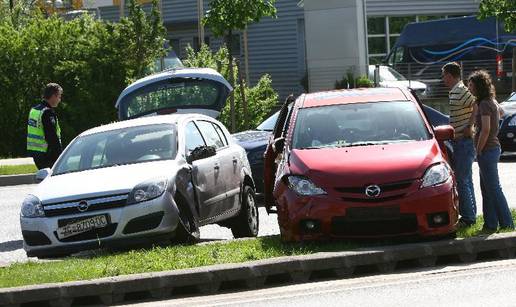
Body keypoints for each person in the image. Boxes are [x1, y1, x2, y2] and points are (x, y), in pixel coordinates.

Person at [467, 70, 514, 232]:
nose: (469, 87)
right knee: (486, 188)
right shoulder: (491, 101)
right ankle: (491, 223)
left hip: (487, 150)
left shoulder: (485, 104)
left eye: (471, 85)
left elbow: (485, 129)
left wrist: (478, 149)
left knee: (493, 188)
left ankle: (507, 223)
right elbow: (501, 113)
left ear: (479, 86)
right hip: (492, 148)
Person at [441, 62, 476, 227]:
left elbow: (477, 104)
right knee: (466, 179)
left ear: (449, 75)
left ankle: (468, 218)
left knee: (462, 180)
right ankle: (471, 214)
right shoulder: (455, 91)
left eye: (444, 75)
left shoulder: (461, 90)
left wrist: (469, 126)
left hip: (464, 141)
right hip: (460, 141)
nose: (443, 79)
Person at [26, 83, 63, 169]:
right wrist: (61, 156)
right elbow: (51, 137)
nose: (59, 100)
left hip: (36, 153)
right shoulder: (47, 112)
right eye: (59, 97)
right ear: (53, 96)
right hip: (47, 154)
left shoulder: (34, 110)